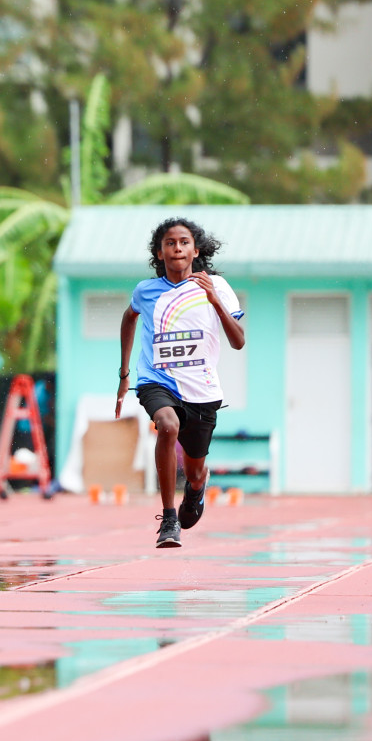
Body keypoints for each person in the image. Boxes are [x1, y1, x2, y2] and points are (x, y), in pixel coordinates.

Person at [116, 217, 245, 549]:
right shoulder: (145, 291)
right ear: (160, 253)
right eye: (170, 243)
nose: (177, 248)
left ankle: (197, 487)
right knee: (167, 425)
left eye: (184, 242)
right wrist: (124, 373)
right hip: (155, 382)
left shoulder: (215, 286)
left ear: (195, 250)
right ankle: (169, 518)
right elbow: (129, 318)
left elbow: (239, 341)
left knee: (196, 470)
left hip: (201, 392)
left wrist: (215, 300)